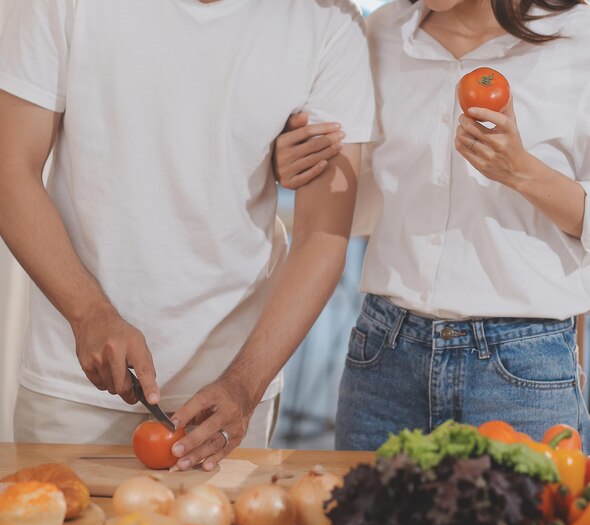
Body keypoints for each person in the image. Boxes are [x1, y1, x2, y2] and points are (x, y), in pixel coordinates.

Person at [0, 0, 376, 470]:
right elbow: (10, 169)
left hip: (231, 402)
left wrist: (244, 384)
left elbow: (323, 237)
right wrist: (89, 314)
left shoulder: (329, 20)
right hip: (74, 391)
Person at [273, 0, 590, 450]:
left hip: (522, 367)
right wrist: (298, 166)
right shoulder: (379, 33)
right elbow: (363, 199)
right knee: (364, 521)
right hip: (385, 353)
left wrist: (521, 171)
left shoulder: (579, 38)